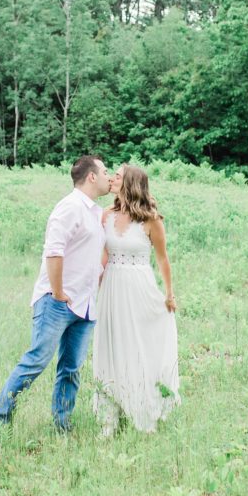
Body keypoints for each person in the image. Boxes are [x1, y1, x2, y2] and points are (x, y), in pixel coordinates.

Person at [0, 155, 110, 432]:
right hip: (58, 301)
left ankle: (62, 424)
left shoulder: (94, 211)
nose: (108, 176)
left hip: (86, 304)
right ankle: (0, 418)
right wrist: (57, 292)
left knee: (71, 369)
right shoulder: (69, 207)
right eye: (105, 171)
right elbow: (53, 251)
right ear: (91, 176)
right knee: (36, 361)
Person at [93, 163, 179, 434]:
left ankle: (143, 410)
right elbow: (103, 256)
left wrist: (169, 293)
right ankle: (110, 418)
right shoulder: (106, 215)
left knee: (138, 346)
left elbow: (163, 259)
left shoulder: (150, 220)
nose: (111, 179)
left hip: (139, 288)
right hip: (111, 289)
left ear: (129, 183)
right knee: (111, 344)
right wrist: (93, 285)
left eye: (117, 176)